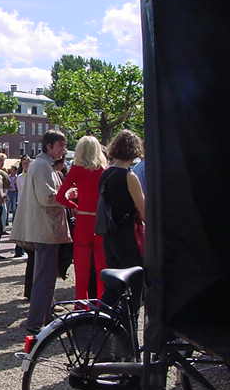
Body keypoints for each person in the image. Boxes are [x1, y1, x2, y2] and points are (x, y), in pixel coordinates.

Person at [13, 130, 71, 333]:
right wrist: (69, 195)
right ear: (49, 146)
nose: (63, 149)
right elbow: (46, 197)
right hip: (45, 229)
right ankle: (36, 323)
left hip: (47, 229)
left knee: (46, 276)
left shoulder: (45, 165)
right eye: (61, 145)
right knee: (44, 278)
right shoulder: (42, 166)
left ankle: (45, 316)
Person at [55, 136, 108, 301]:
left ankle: (80, 303)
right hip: (100, 222)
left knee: (81, 269)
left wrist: (75, 206)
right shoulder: (104, 171)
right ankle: (101, 302)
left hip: (83, 221)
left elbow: (60, 197)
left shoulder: (76, 170)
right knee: (101, 267)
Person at [99, 130, 145, 270]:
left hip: (109, 233)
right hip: (127, 233)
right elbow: (143, 210)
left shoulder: (105, 173)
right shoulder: (129, 176)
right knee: (133, 273)